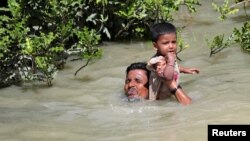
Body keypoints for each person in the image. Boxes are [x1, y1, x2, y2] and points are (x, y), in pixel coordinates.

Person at [147, 22, 200, 105]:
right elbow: (168, 77)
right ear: (155, 46)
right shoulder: (158, 61)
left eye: (173, 42)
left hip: (168, 94)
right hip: (159, 100)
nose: (171, 46)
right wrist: (171, 61)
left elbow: (174, 67)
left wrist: (185, 70)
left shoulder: (167, 56)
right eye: (165, 43)